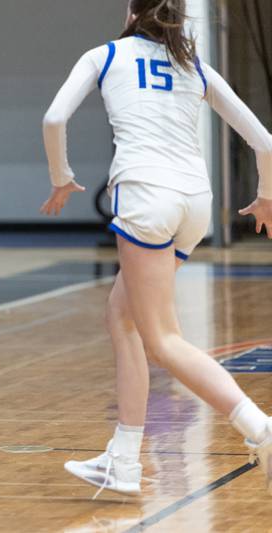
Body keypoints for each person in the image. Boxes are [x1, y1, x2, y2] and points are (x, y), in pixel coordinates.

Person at [41, 0, 272, 496]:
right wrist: (267, 196)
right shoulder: (195, 66)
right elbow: (265, 142)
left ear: (131, 11)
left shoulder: (105, 55)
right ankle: (123, 459)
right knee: (120, 319)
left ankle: (262, 428)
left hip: (146, 196)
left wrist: (62, 179)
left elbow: (55, 118)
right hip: (194, 202)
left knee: (163, 339)